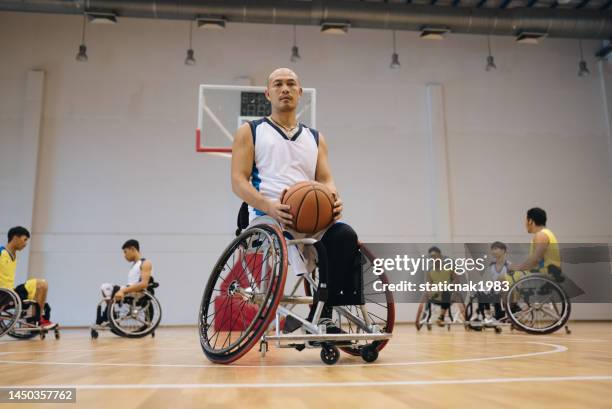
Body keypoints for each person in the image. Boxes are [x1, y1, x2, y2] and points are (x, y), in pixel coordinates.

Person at [230, 67, 360, 332]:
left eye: (291, 84)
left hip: (311, 217)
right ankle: (312, 316)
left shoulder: (315, 138)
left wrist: (333, 198)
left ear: (300, 93)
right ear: (268, 93)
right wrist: (269, 206)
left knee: (345, 235)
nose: (285, 89)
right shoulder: (250, 131)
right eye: (278, 84)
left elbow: (326, 179)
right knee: (286, 236)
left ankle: (323, 314)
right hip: (268, 216)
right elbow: (238, 182)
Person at [0, 226, 57, 329]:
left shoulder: (14, 256)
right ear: (15, 238)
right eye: (24, 240)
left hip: (11, 294)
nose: (26, 244)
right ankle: (37, 320)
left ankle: (37, 319)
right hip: (2, 294)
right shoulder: (1, 253)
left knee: (42, 284)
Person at [96, 239, 153, 326]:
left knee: (106, 287)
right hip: (130, 291)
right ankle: (110, 314)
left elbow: (144, 284)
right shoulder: (134, 266)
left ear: (133, 249)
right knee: (106, 287)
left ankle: (110, 315)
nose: (124, 255)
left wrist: (123, 290)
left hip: (138, 293)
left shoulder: (145, 263)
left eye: (125, 252)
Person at [509, 207, 561, 279]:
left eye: (526, 220)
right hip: (547, 273)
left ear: (530, 221)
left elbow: (536, 259)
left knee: (501, 279)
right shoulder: (547, 233)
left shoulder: (541, 235)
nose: (525, 224)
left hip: (543, 274)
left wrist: (519, 267)